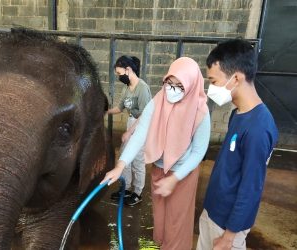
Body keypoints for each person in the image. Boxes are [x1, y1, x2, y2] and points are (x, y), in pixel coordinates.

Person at [102, 57, 211, 249]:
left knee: (177, 221)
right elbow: (140, 133)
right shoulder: (158, 101)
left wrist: (175, 177)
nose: (172, 89)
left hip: (183, 175)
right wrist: (121, 165)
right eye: (170, 82)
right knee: (160, 217)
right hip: (159, 169)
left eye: (180, 85)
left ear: (192, 85)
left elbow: (198, 152)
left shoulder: (200, 110)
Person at [196, 39, 278, 250]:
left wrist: (229, 236)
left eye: (213, 81)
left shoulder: (259, 127)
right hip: (213, 211)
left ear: (236, 78)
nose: (210, 88)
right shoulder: (237, 114)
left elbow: (251, 188)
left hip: (226, 226)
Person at [107, 55, 152, 206]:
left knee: (138, 160)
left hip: (142, 125)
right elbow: (120, 108)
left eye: (120, 74)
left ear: (128, 70)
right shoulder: (127, 88)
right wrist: (104, 111)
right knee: (125, 157)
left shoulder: (142, 88)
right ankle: (125, 188)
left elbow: (145, 115)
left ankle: (137, 192)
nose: (119, 77)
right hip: (131, 121)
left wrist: (129, 132)